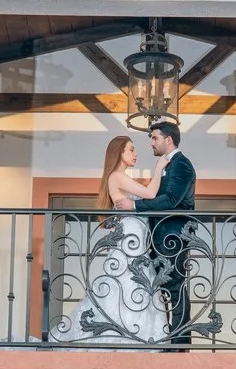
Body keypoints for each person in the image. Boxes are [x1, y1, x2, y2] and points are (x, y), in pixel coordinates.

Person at [50, 135, 169, 344]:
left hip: (137, 243)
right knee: (125, 284)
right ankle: (121, 335)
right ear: (119, 153)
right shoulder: (116, 176)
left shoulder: (123, 178)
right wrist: (159, 167)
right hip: (130, 242)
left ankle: (135, 335)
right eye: (131, 149)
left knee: (135, 286)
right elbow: (150, 194)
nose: (136, 153)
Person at [134, 119, 198, 344]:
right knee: (163, 287)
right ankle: (167, 336)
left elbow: (171, 200)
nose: (151, 142)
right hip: (161, 236)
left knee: (174, 285)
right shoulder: (167, 164)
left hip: (173, 236)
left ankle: (180, 341)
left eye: (155, 138)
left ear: (168, 139)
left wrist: (135, 206)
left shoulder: (181, 164)